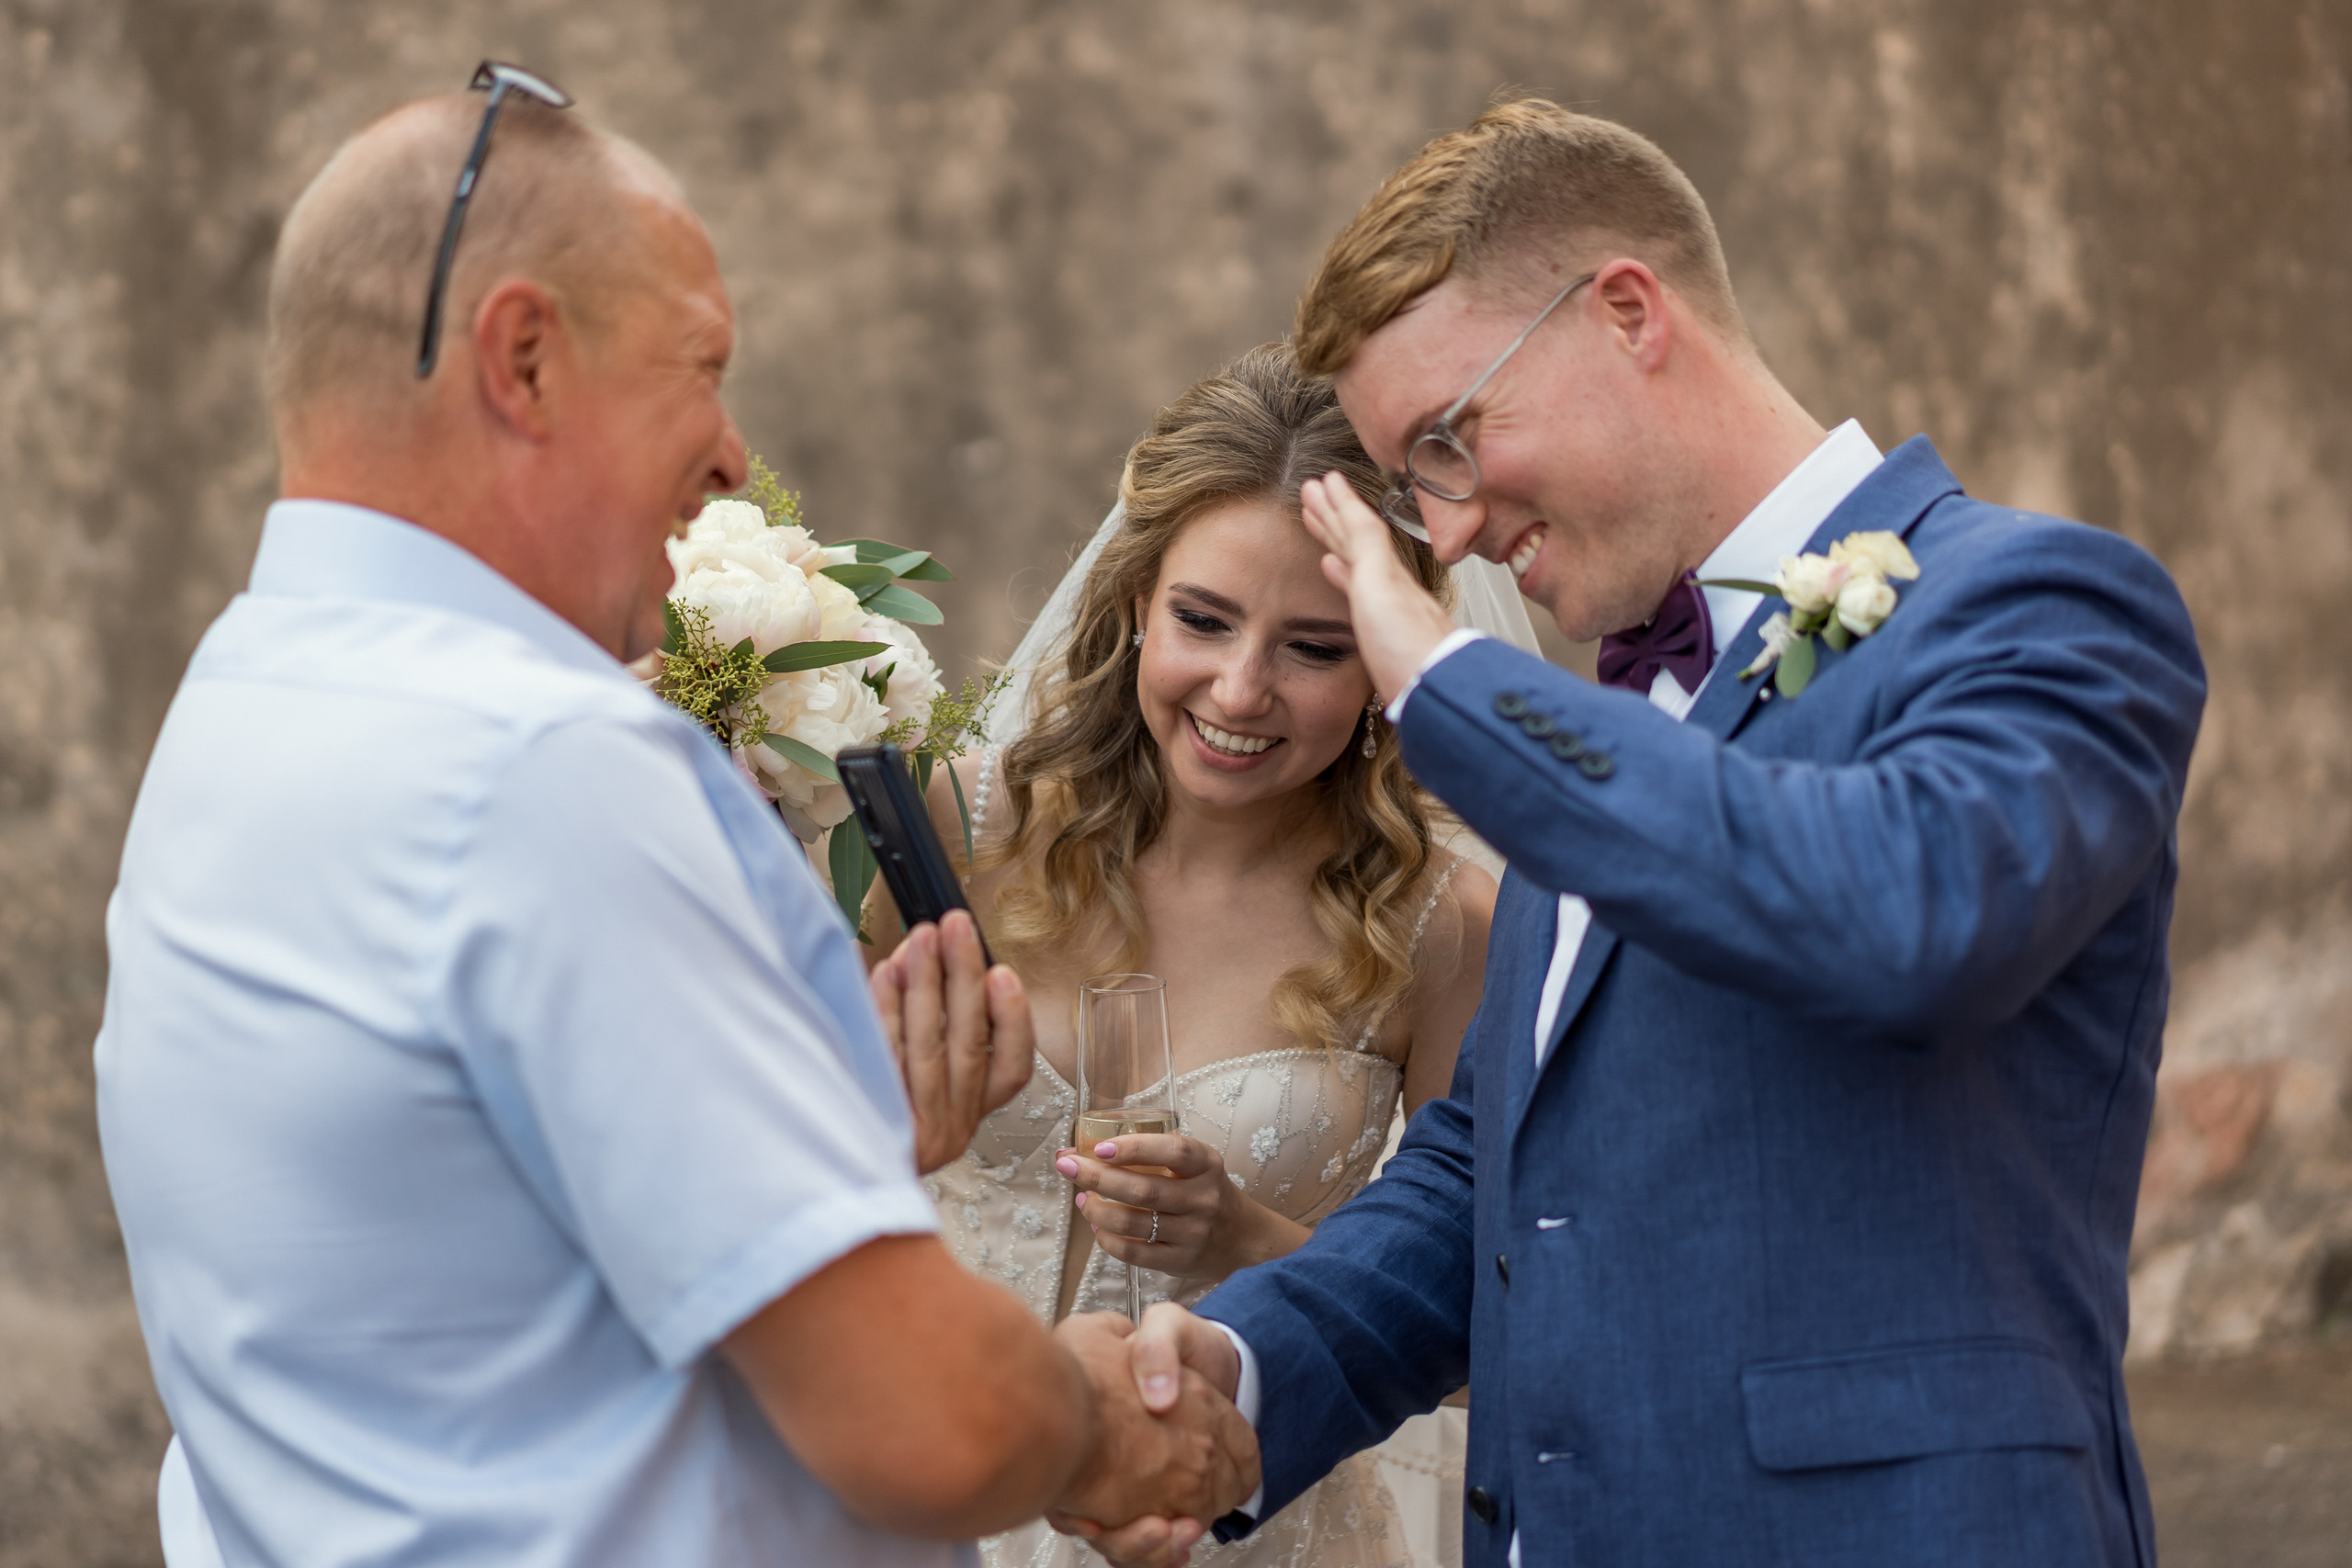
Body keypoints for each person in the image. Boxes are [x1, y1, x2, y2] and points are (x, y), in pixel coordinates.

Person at [93, 80, 1252, 1568]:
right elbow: (928, 1422)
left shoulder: (245, 697)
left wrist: (836, 1145)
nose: (728, 454)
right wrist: (1103, 1418)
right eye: (699, 367)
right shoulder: (543, 761)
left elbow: (486, 1279)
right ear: (523, 358)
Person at [1109, 99, 2207, 1568]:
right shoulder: (1609, 722)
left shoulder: (2042, 603)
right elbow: (1487, 1185)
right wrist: (1228, 1384)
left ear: (1626, 313)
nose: (1442, 532)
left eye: (1449, 440)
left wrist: (1446, 683)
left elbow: (1912, 918)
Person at [865, 344, 1504, 1567]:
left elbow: (1488, 1336)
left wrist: (1249, 1245)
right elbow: (773, 1168)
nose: (1240, 687)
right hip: (932, 1494)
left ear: (1383, 656)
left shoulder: (1441, 926)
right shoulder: (959, 829)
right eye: (1203, 620)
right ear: (1135, 604)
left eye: (1314, 648)